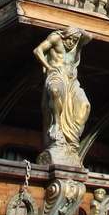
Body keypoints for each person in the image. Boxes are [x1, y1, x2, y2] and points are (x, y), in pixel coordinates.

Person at [35, 28, 92, 165]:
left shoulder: (77, 43)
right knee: (55, 91)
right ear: (66, 35)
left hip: (71, 79)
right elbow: (37, 50)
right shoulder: (55, 38)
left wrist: (78, 30)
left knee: (84, 105)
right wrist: (48, 67)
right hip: (56, 75)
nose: (72, 42)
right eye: (70, 39)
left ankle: (71, 141)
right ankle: (56, 125)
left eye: (75, 40)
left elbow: (89, 37)